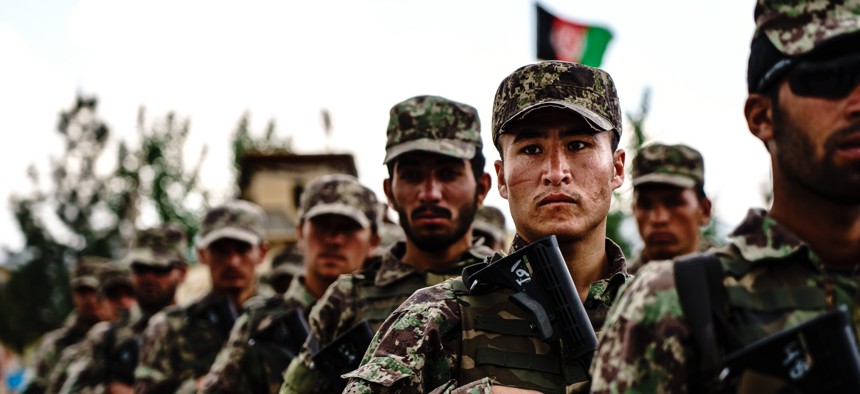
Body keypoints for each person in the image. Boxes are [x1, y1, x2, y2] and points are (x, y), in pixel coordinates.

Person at [590, 1, 860, 392]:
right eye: (829, 76)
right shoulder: (670, 302)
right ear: (762, 116)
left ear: (704, 209)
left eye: (673, 201)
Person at [344, 61, 631, 393]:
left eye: (578, 145)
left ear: (617, 168)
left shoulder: (664, 315)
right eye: (532, 149)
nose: (556, 171)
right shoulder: (436, 317)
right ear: (501, 178)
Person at [281, 95, 494, 393]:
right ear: (389, 193)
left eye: (448, 174)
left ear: (482, 187)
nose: (430, 193)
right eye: (412, 175)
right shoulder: (347, 300)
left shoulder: (513, 287)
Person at [200, 174, 381, 394]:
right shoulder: (260, 321)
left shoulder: (395, 314)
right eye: (322, 226)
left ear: (373, 241)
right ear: (300, 234)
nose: (333, 239)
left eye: (348, 228)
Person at [135, 201, 268, 393]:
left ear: (262, 253)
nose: (232, 261)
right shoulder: (169, 327)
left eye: (242, 248)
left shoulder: (281, 320)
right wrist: (199, 388)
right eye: (221, 250)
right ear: (202, 254)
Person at [58, 224, 188, 393]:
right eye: (140, 268)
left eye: (159, 268)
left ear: (183, 272)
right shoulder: (107, 338)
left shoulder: (200, 329)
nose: (148, 277)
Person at [22, 258, 107, 394]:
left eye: (95, 291)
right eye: (83, 292)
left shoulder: (123, 338)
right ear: (74, 295)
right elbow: (34, 386)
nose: (90, 299)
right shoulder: (56, 343)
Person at [627, 143, 712, 274]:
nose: (658, 219)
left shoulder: (735, 282)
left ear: (705, 211)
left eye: (674, 203)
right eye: (645, 205)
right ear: (634, 211)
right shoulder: (617, 290)